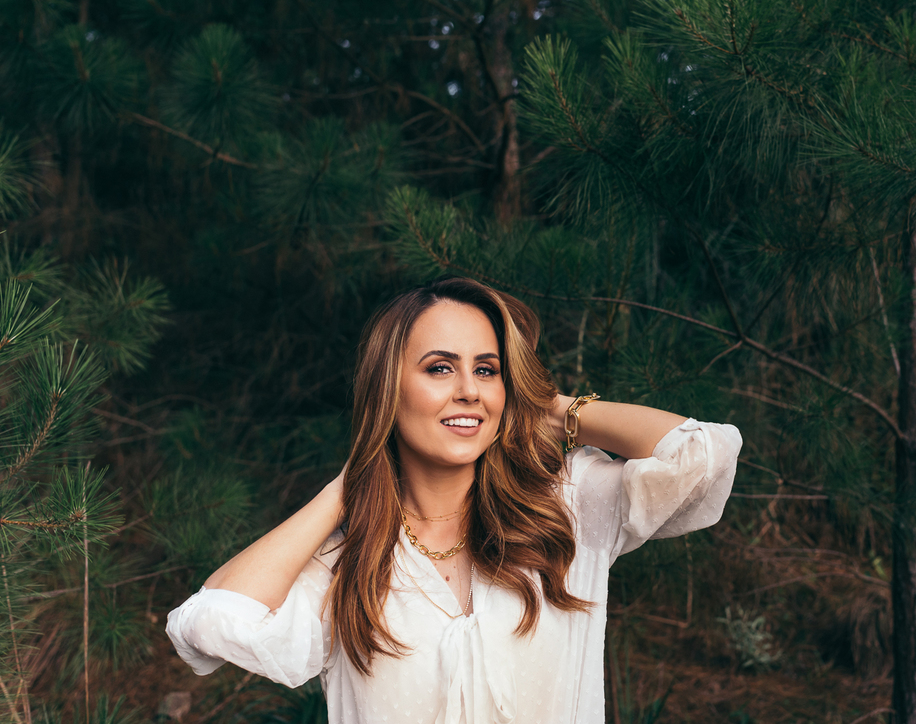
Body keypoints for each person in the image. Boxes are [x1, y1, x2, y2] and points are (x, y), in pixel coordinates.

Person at [166, 276, 741, 724]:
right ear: (388, 387)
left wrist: (547, 406)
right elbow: (211, 624)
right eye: (439, 367)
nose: (468, 387)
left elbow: (701, 455)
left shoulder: (564, 506)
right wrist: (346, 488)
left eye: (486, 370)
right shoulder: (349, 565)